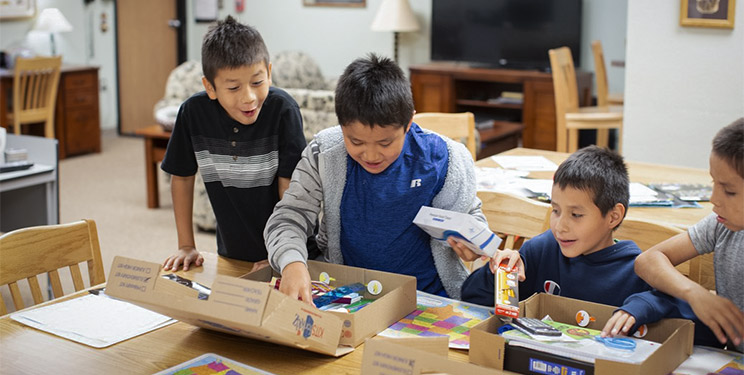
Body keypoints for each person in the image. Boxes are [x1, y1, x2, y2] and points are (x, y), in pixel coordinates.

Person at [264, 53, 483, 302]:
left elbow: (471, 215)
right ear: (341, 125)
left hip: (428, 299)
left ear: (409, 122)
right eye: (355, 141)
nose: (370, 154)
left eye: (385, 142)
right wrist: (292, 263)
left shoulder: (444, 158)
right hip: (350, 295)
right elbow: (289, 216)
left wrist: (472, 244)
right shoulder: (325, 152)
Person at [161, 16, 307, 271]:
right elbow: (182, 177)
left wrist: (283, 255)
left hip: (289, 251)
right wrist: (186, 244)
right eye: (233, 87)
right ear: (210, 87)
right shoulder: (192, 113)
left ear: (269, 74)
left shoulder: (284, 110)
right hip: (232, 252)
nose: (249, 97)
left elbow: (290, 191)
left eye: (257, 82)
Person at [602, 118, 744, 352]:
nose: (714, 198)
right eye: (713, 182)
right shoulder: (720, 225)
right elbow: (648, 261)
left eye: (729, 190)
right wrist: (695, 293)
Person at [461, 146, 651, 307]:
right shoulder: (542, 250)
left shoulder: (635, 272)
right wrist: (499, 272)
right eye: (556, 210)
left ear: (613, 217)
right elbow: (472, 297)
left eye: (576, 215)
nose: (560, 226)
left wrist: (643, 307)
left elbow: (675, 311)